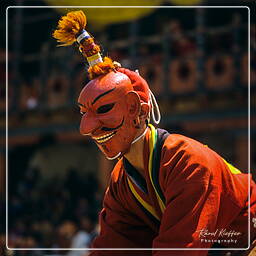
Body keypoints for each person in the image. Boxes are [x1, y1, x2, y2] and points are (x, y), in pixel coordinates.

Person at [53, 11, 256, 256]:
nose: (87, 128)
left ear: (136, 110)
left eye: (103, 110)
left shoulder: (188, 162)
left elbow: (180, 250)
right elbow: (113, 247)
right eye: (83, 113)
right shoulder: (121, 181)